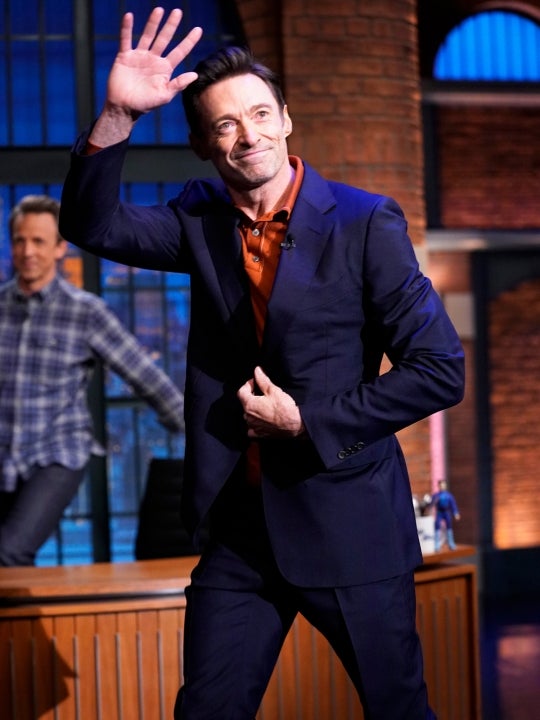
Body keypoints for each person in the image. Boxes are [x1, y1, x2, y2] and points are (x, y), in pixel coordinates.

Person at [59, 8, 465, 719]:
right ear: (203, 145)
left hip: (348, 525)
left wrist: (307, 421)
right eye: (226, 124)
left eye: (259, 115)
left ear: (285, 120)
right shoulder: (199, 221)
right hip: (240, 533)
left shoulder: (365, 223)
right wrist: (118, 114)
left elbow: (439, 369)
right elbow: (91, 224)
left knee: (397, 709)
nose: (248, 135)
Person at [0, 194, 185, 566]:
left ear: (59, 249)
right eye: (20, 240)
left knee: (9, 552)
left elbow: (145, 375)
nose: (28, 251)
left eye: (38, 241)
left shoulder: (85, 312)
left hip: (56, 452)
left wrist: (199, 434)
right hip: (4, 453)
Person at [432, 480, 461, 551]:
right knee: (437, 526)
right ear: (439, 486)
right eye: (441, 485)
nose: (442, 486)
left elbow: (453, 505)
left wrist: (456, 513)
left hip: (446, 512)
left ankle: (451, 543)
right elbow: (431, 503)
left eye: (443, 485)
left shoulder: (449, 496)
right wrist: (435, 501)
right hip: (439, 512)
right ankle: (437, 545)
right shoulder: (436, 495)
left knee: (449, 527)